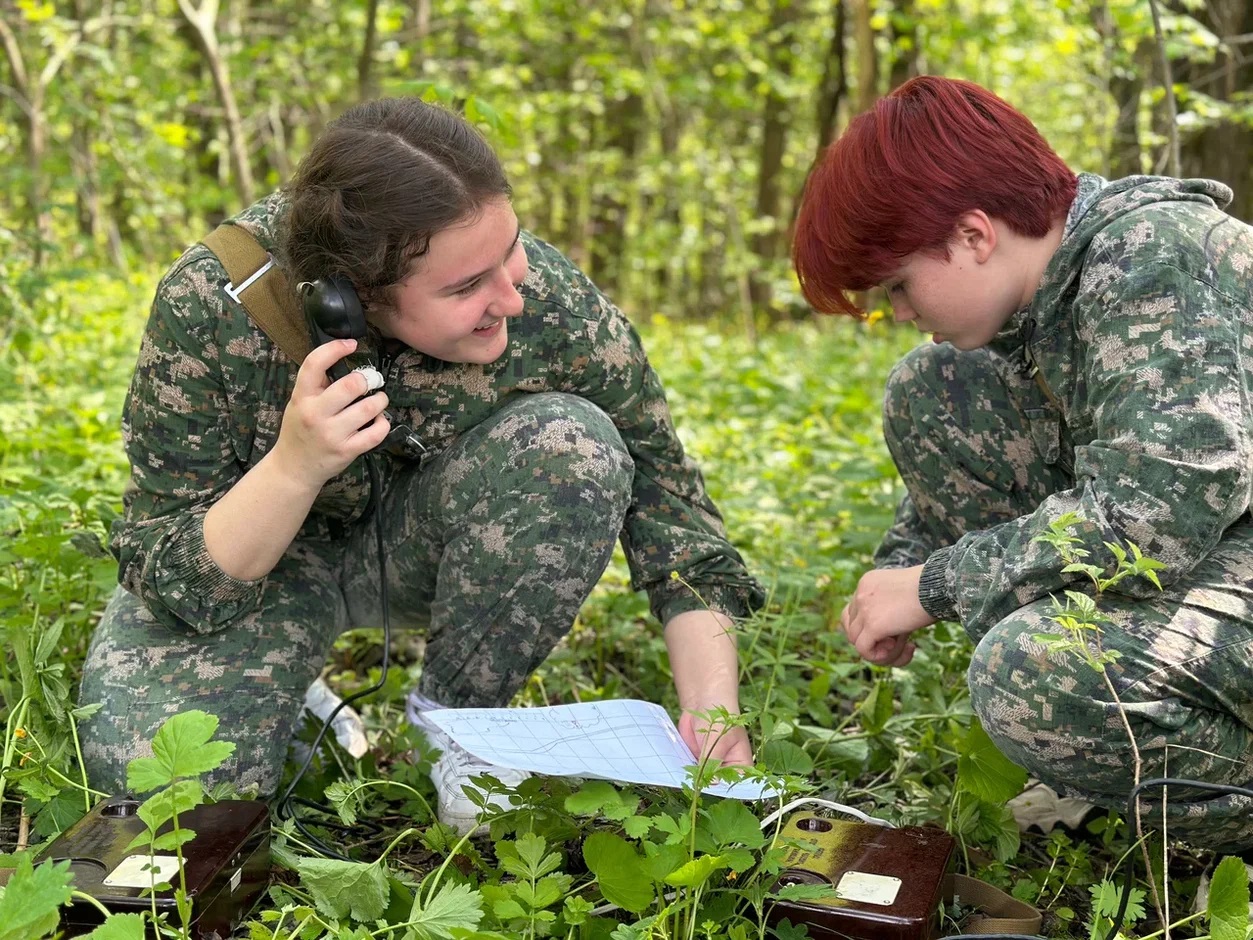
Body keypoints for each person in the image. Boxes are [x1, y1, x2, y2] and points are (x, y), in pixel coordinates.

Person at [79, 97, 763, 834]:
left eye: (512, 250)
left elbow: (674, 515)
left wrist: (711, 716)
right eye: (466, 288)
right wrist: (292, 467)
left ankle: (462, 730)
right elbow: (169, 570)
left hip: (421, 548)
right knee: (167, 797)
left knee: (573, 445)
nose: (511, 296)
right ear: (353, 299)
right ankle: (285, 676)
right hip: (261, 567)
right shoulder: (213, 302)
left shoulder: (542, 297)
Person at [792, 76, 1253, 854]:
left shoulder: (1154, 256)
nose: (897, 312)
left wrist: (937, 587)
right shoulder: (1048, 299)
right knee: (934, 385)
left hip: (1198, 539)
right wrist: (903, 570)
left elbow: (1153, 516)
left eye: (898, 285)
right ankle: (1112, 757)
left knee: (1030, 671)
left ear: (973, 235)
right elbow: (1032, 446)